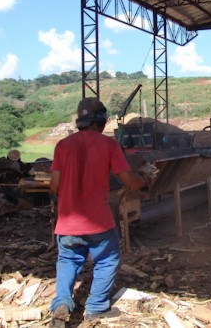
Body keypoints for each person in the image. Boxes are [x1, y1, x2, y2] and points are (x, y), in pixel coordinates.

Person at [49, 97, 146, 327]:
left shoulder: (62, 145)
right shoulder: (108, 145)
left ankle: (62, 303)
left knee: (67, 261)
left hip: (67, 222)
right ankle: (96, 307)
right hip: (98, 222)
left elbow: (54, 185)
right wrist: (144, 181)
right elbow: (128, 179)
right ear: (100, 121)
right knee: (107, 260)